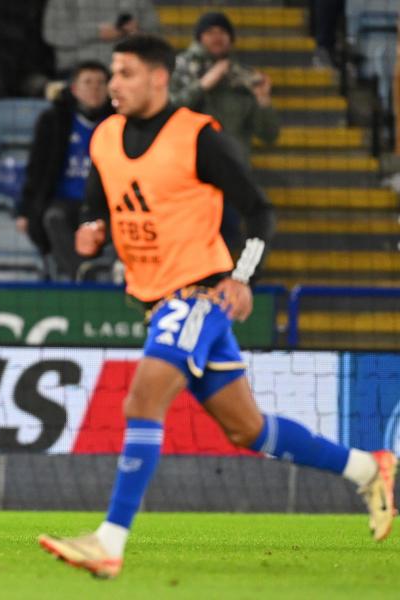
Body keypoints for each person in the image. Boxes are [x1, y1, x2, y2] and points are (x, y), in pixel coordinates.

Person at [36, 35, 397, 579]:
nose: (114, 85)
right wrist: (93, 230)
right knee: (246, 429)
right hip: (156, 301)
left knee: (142, 400)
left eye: (126, 73)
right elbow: (101, 202)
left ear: (159, 78)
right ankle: (368, 467)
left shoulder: (197, 137)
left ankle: (109, 540)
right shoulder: (105, 138)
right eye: (113, 73)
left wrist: (241, 277)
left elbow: (261, 212)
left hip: (199, 294)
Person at [19, 60, 113, 279]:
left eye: (101, 83)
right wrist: (25, 210)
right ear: (74, 88)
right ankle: (80, 275)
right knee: (53, 217)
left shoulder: (119, 122)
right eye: (88, 82)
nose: (95, 88)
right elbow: (37, 168)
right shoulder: (53, 121)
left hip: (105, 204)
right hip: (65, 202)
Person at [169, 12, 280, 163]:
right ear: (199, 38)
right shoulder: (180, 69)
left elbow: (269, 135)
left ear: (231, 38)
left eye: (222, 32)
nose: (217, 38)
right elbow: (167, 112)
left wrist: (263, 100)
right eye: (210, 32)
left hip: (232, 168)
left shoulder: (244, 78)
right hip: (188, 165)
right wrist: (202, 86)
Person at [43, 0, 159, 75]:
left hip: (126, 71)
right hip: (76, 71)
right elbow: (52, 34)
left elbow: (155, 38)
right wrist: (97, 32)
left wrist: (136, 33)